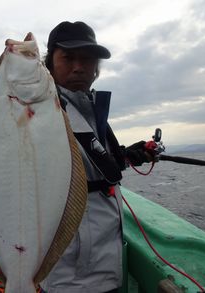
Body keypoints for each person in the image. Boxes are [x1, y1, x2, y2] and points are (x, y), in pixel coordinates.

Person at [39, 21, 154, 293]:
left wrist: (134, 154)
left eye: (87, 59)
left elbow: (97, 163)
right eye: (68, 58)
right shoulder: (43, 111)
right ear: (50, 64)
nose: (79, 66)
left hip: (104, 262)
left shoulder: (88, 106)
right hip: (70, 274)